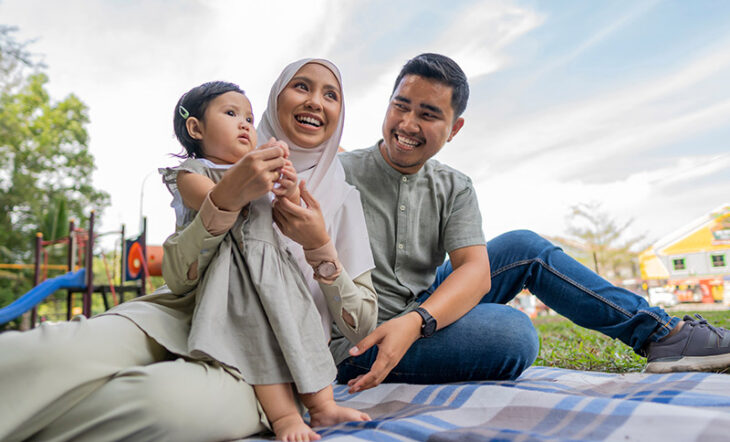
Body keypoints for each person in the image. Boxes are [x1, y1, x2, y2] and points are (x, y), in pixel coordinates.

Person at [0, 59, 377, 442]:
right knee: (41, 356)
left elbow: (361, 326)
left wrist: (319, 247)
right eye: (301, 87)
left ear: (339, 112)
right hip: (179, 313)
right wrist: (226, 200)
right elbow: (178, 278)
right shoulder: (221, 161)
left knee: (156, 403)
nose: (315, 101)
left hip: (270, 352)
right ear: (275, 98)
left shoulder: (343, 199)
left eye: (331, 95)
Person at [329, 52, 730, 393]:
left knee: (523, 245)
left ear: (454, 129)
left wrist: (418, 321)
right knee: (513, 335)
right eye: (401, 105)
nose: (408, 124)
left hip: (417, 308)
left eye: (429, 114)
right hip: (361, 338)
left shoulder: (454, 187)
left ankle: (664, 337)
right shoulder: (336, 172)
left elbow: (475, 270)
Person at [162, 76, 371, 441]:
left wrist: (288, 185)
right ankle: (285, 417)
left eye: (248, 116)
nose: (245, 123)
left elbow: (284, 207)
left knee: (302, 330)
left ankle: (323, 406)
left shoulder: (339, 192)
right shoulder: (193, 173)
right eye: (231, 114)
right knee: (259, 340)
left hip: (278, 272)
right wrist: (246, 179)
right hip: (237, 278)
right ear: (195, 128)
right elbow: (215, 199)